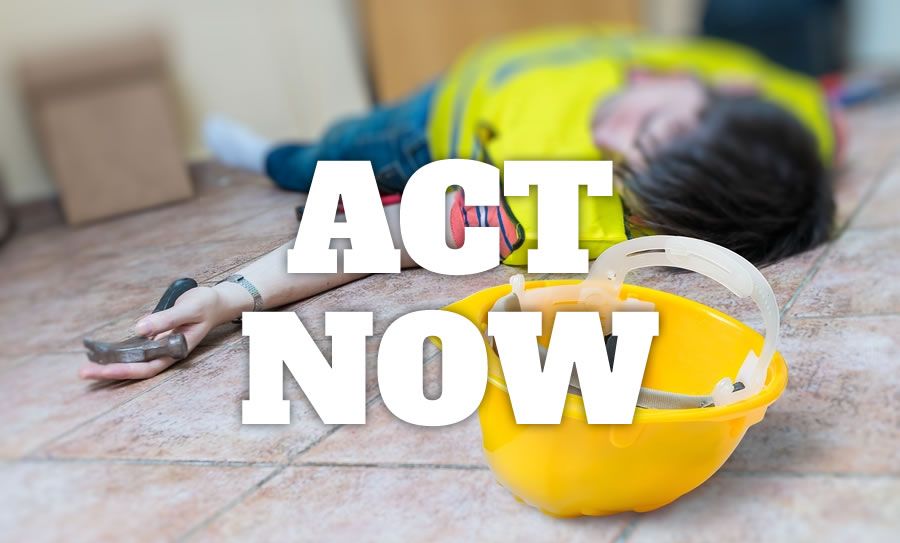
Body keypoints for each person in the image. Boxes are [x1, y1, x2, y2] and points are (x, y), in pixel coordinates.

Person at [80, 28, 840, 381]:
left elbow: (390, 234)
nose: (621, 128)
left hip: (426, 132)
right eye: (664, 122)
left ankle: (263, 155)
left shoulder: (557, 206)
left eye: (636, 161)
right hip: (485, 68)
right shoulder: (780, 112)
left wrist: (226, 297)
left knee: (321, 158)